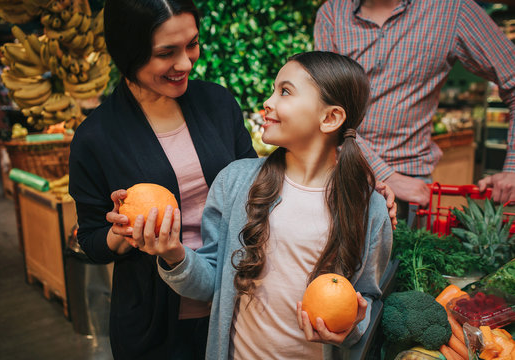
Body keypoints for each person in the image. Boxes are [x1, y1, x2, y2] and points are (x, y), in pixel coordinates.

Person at [128, 52, 393, 359]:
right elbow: (212, 284)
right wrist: (172, 253)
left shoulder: (369, 209)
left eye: (285, 91)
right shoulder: (236, 183)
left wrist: (352, 327)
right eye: (273, 89)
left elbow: (368, 298)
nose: (268, 101)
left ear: (330, 117)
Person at [68, 0, 258, 358]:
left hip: (237, 306)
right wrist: (118, 232)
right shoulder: (96, 137)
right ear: (129, 52)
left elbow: (257, 185)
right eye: (166, 52)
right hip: (154, 325)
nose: (185, 63)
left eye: (192, 44)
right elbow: (91, 242)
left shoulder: (217, 103)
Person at [315, 0, 515, 213]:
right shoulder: (333, 12)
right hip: (341, 175)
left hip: (409, 188)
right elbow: (326, 108)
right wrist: (385, 175)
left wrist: (513, 167)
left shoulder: (452, 9)